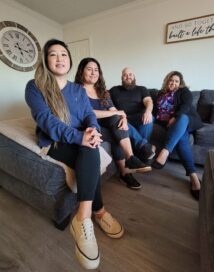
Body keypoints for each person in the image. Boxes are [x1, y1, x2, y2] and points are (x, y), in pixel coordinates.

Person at [25, 39, 124, 270]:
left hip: (81, 137)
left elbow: (89, 115)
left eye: (63, 54)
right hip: (56, 141)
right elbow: (46, 121)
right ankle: (95, 214)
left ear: (69, 60)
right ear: (46, 60)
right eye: (53, 54)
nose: (60, 58)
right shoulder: (35, 86)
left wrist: (93, 130)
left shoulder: (78, 89)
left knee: (90, 152)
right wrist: (81, 138)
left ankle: (84, 216)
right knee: (90, 150)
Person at [74, 58, 151, 190]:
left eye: (96, 70)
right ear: (81, 71)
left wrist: (123, 118)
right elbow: (87, 113)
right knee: (115, 128)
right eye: (89, 69)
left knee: (117, 124)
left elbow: (114, 110)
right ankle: (125, 171)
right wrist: (116, 114)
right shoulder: (76, 90)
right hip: (88, 126)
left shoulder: (102, 91)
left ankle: (130, 159)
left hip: (105, 124)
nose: (93, 73)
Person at [151, 71, 202, 200]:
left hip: (186, 119)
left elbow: (186, 106)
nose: (173, 83)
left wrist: (174, 117)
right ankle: (194, 177)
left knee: (182, 118)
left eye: (176, 81)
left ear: (180, 83)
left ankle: (165, 151)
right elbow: (156, 112)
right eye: (171, 80)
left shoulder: (184, 92)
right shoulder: (160, 94)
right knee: (181, 137)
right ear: (167, 81)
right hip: (168, 124)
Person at [109, 68, 155, 161]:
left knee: (149, 119)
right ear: (122, 77)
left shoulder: (142, 89)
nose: (128, 77)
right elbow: (105, 101)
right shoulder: (114, 90)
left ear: (134, 76)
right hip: (123, 118)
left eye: (130, 74)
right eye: (125, 75)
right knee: (117, 120)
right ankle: (145, 149)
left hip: (139, 117)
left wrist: (148, 111)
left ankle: (141, 151)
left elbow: (148, 101)